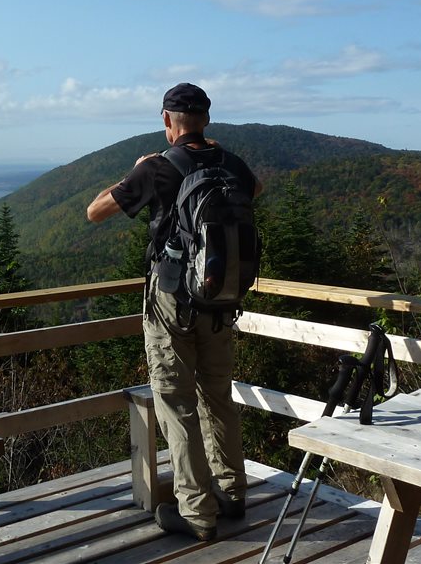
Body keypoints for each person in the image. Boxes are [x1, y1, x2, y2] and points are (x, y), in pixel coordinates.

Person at [86, 82, 262, 541]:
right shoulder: (231, 163)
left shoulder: (160, 167)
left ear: (167, 121)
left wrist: (136, 171)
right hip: (221, 300)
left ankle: (196, 513)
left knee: (176, 402)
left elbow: (95, 211)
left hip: (172, 302)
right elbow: (255, 189)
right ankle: (232, 493)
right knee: (218, 397)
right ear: (205, 118)